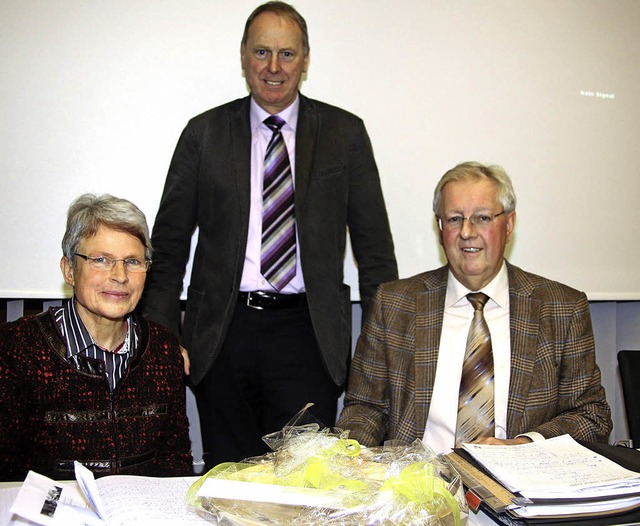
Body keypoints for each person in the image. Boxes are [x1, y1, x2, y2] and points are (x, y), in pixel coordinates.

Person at [140, 1, 398, 468]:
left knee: (302, 483)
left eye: (287, 53)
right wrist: (163, 341)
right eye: (262, 52)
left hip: (310, 336)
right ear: (242, 56)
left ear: (305, 59)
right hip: (222, 336)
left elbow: (375, 254)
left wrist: (377, 352)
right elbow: (169, 247)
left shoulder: (345, 134)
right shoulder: (204, 134)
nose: (274, 67)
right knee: (227, 478)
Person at [337, 162, 612, 453]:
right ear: (440, 227)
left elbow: (591, 416)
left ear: (509, 225)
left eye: (481, 218)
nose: (467, 232)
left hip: (520, 487)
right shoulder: (395, 303)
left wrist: (522, 446)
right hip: (417, 487)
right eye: (454, 219)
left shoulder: (561, 308)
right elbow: (365, 408)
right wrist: (353, 454)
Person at [0, 194, 193, 482]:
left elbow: (176, 463)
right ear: (69, 270)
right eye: (101, 260)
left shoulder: (164, 350)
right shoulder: (17, 348)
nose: (119, 276)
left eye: (133, 261)